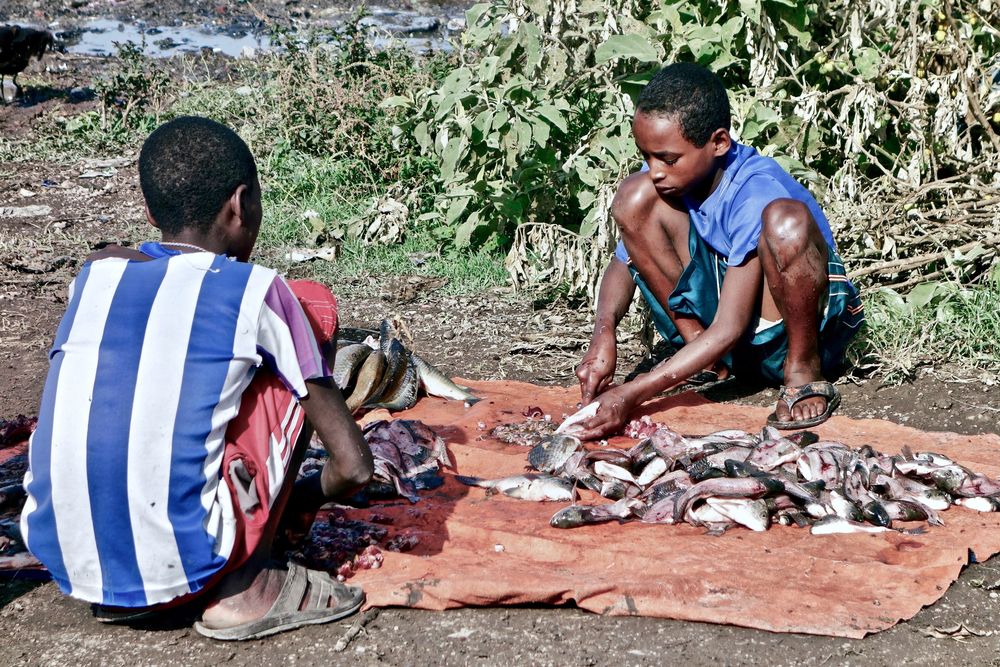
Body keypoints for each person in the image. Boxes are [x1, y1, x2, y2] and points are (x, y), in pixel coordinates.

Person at [20, 116, 374, 641]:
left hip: (68, 563)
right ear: (239, 205)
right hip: (188, 565)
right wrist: (299, 502)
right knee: (311, 307)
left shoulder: (94, 276)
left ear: (150, 211)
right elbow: (354, 467)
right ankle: (249, 588)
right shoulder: (258, 290)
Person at [574, 63, 864, 439]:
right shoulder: (683, 180)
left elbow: (730, 326)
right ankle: (704, 355)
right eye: (647, 156)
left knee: (785, 221)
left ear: (719, 144)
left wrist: (631, 393)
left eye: (667, 158)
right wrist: (604, 331)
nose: (655, 170)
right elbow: (625, 259)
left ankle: (803, 373)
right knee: (634, 196)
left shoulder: (753, 190)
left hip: (799, 330)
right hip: (734, 335)